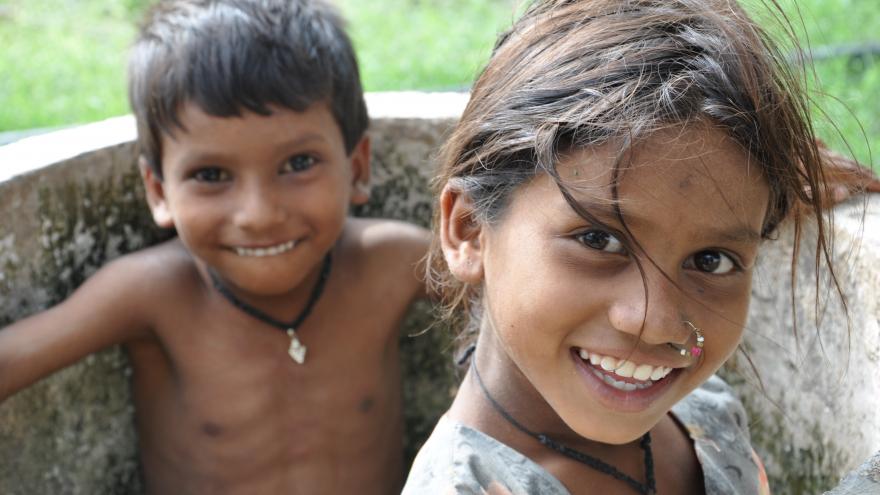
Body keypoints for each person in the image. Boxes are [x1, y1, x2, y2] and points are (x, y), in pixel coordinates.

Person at [403, 0, 860, 493]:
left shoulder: (703, 413)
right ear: (470, 229)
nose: (656, 322)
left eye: (712, 259)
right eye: (600, 240)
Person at [0, 0, 427, 493]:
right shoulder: (152, 294)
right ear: (159, 192)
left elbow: (515, 303)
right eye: (210, 175)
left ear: (356, 168)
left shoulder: (393, 265)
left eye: (298, 163)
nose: (259, 213)